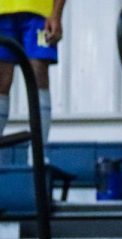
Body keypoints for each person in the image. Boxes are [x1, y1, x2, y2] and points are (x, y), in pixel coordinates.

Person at [0, 0, 64, 143]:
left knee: (38, 74)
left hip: (39, 11)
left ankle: (38, 155)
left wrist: (56, 14)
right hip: (2, 11)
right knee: (1, 80)